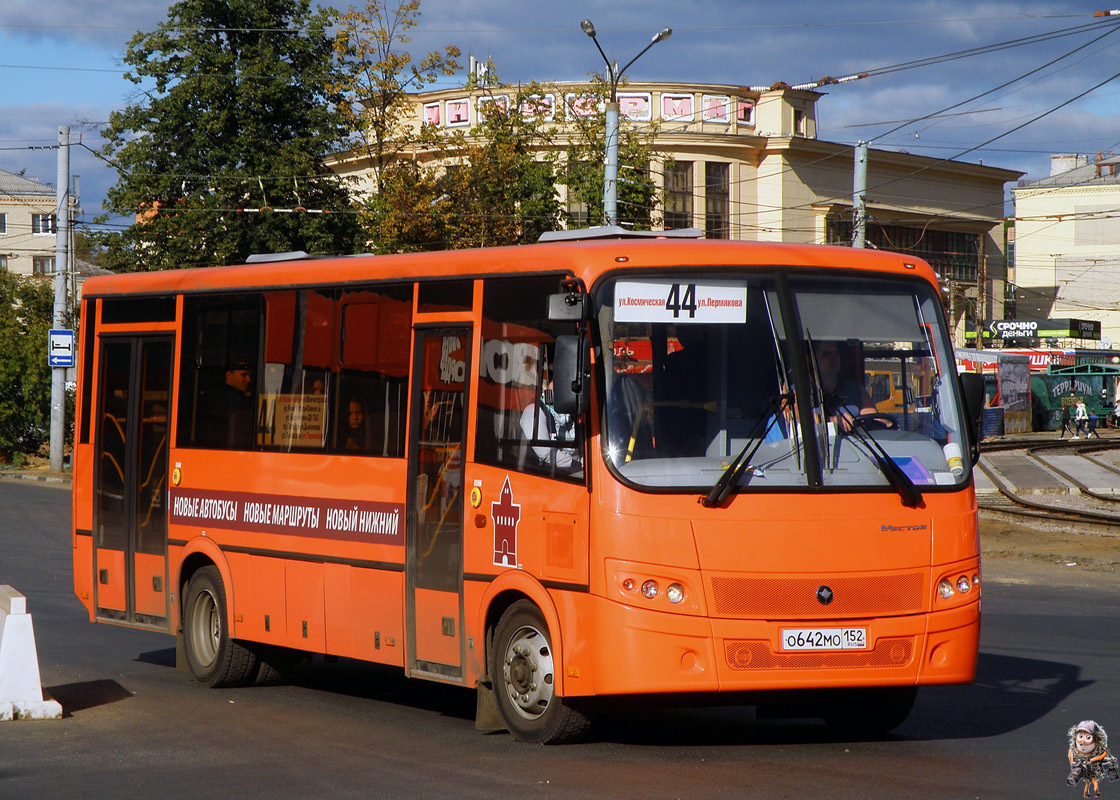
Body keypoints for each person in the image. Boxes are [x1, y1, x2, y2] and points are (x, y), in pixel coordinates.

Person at [519, 368, 581, 474]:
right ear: (546, 385)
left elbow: (581, 448)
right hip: (544, 474)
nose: (556, 386)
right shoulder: (533, 411)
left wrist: (585, 463)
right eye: (553, 381)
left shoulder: (572, 414)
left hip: (571, 471)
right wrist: (577, 466)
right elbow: (545, 453)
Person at [813, 340, 876, 428]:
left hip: (856, 440)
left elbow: (874, 417)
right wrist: (832, 420)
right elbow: (798, 418)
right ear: (814, 359)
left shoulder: (854, 388)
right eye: (827, 354)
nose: (834, 358)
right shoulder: (800, 390)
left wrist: (888, 425)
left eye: (836, 353)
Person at [201, 362, 254, 448]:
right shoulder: (223, 400)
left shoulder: (215, 396)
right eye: (244, 375)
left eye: (249, 375)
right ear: (229, 375)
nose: (248, 379)